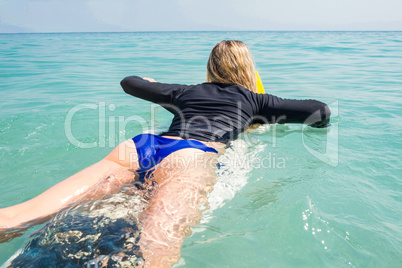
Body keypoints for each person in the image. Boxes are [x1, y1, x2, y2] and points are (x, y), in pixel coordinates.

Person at [0, 40, 330, 267]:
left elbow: (128, 82)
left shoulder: (184, 91)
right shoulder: (256, 100)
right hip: (189, 156)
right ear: (247, 69)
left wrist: (150, 83)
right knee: (156, 248)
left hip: (139, 147)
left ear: (210, 68)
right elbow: (319, 110)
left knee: (21, 215)